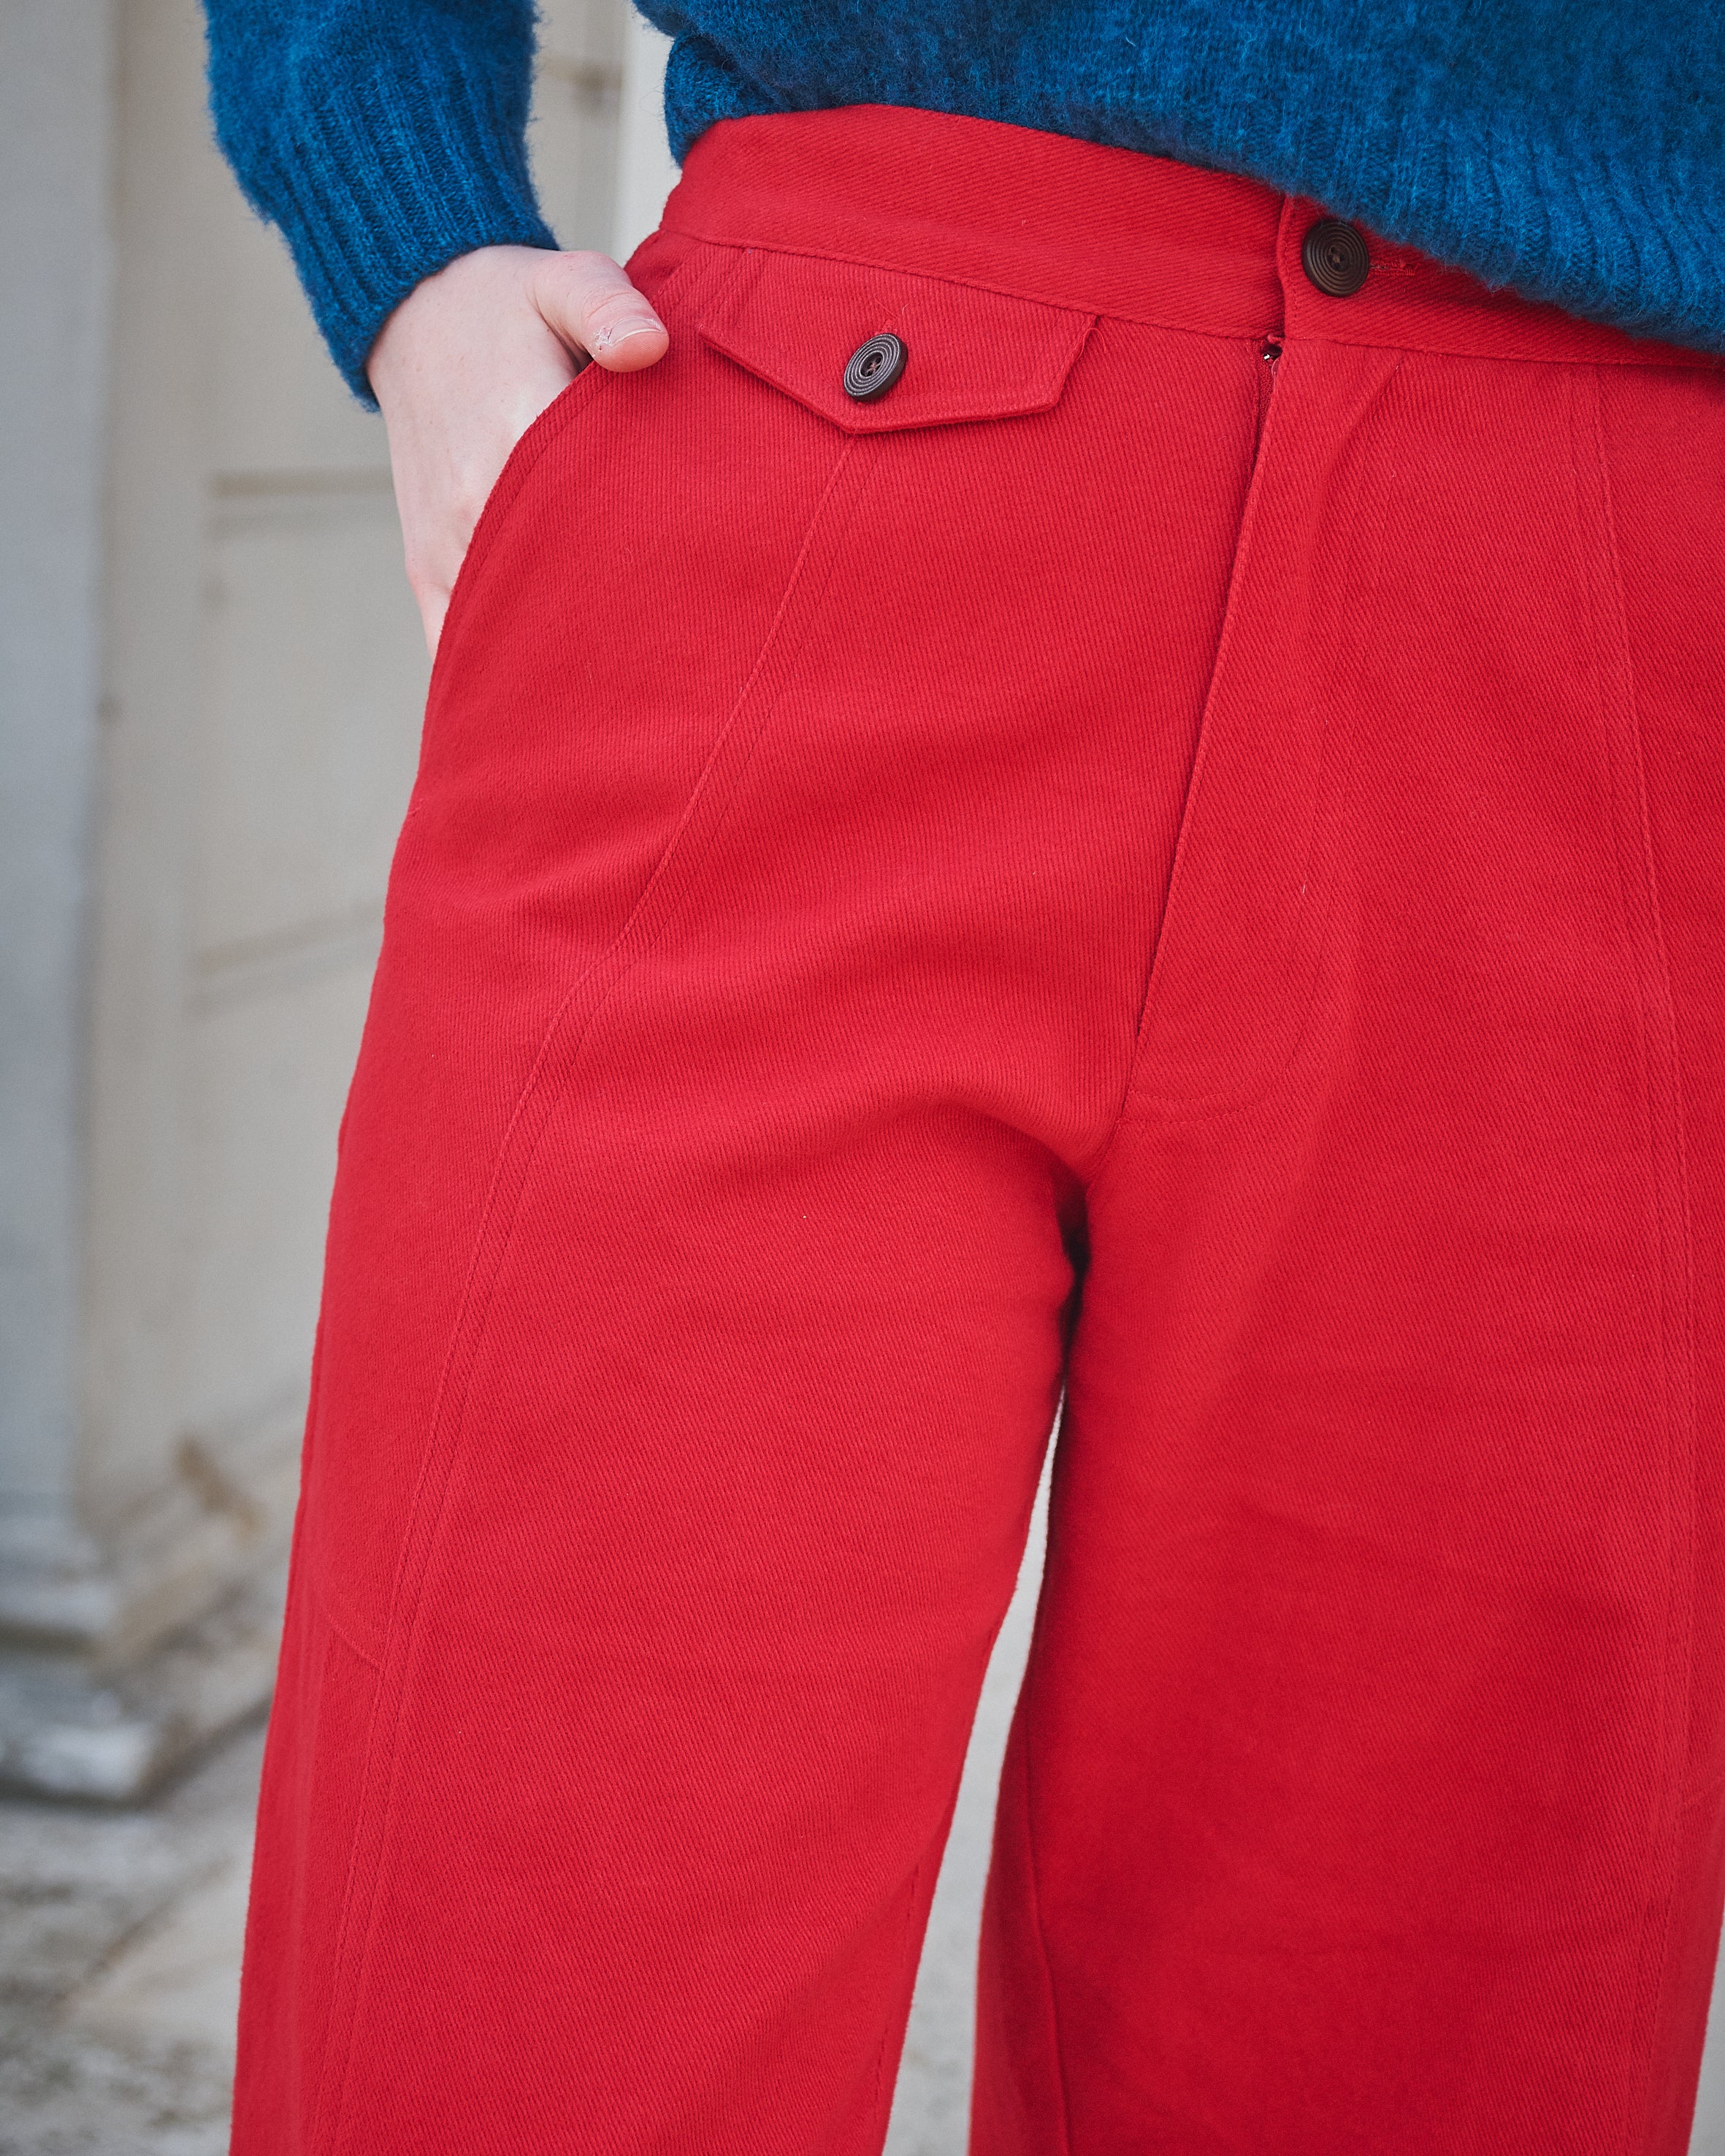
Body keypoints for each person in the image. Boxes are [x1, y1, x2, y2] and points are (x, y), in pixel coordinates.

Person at [202, 4, 1725, 2150]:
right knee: (516, 1975)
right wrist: (414, 244)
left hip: (1616, 606)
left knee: (1414, 2036)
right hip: (829, 443)